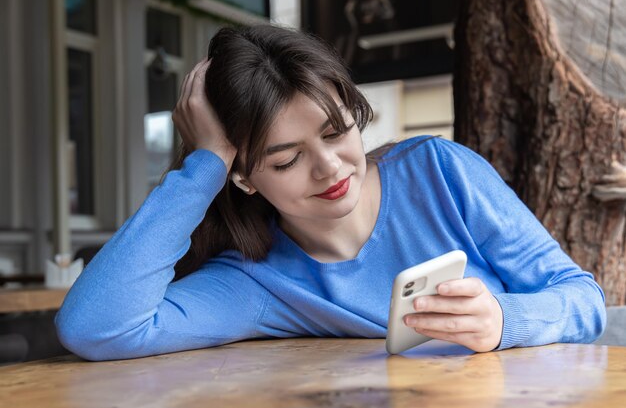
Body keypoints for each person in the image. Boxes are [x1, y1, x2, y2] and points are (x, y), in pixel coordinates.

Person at [55, 24, 606, 361]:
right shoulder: (257, 283)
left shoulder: (441, 174)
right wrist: (203, 167)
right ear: (243, 177)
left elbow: (582, 297)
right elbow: (97, 328)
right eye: (287, 159)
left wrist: (505, 321)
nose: (330, 168)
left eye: (337, 131)